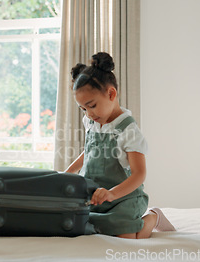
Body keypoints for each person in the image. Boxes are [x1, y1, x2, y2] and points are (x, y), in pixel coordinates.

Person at [65, 52, 175, 239]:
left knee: (129, 239)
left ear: (111, 94)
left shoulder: (128, 131)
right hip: (95, 195)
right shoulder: (90, 122)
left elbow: (139, 174)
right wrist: (67, 173)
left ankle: (153, 217)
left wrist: (112, 194)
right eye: (83, 108)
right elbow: (90, 152)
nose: (88, 113)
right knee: (80, 226)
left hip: (123, 197)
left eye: (92, 106)